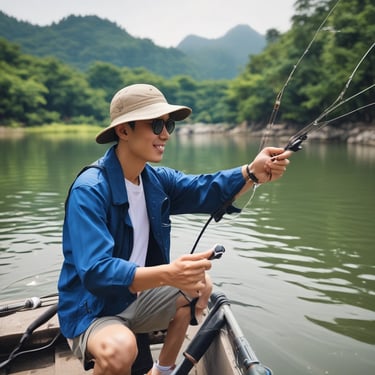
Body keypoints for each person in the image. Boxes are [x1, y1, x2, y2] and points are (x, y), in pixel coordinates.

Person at [57, 83, 292, 375]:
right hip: (93, 308)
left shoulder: (155, 181)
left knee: (198, 286)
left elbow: (203, 189)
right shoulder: (90, 190)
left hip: (136, 297)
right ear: (123, 131)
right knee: (121, 349)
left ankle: (162, 371)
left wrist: (251, 172)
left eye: (168, 124)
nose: (165, 134)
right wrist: (168, 273)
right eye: (156, 125)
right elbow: (95, 271)